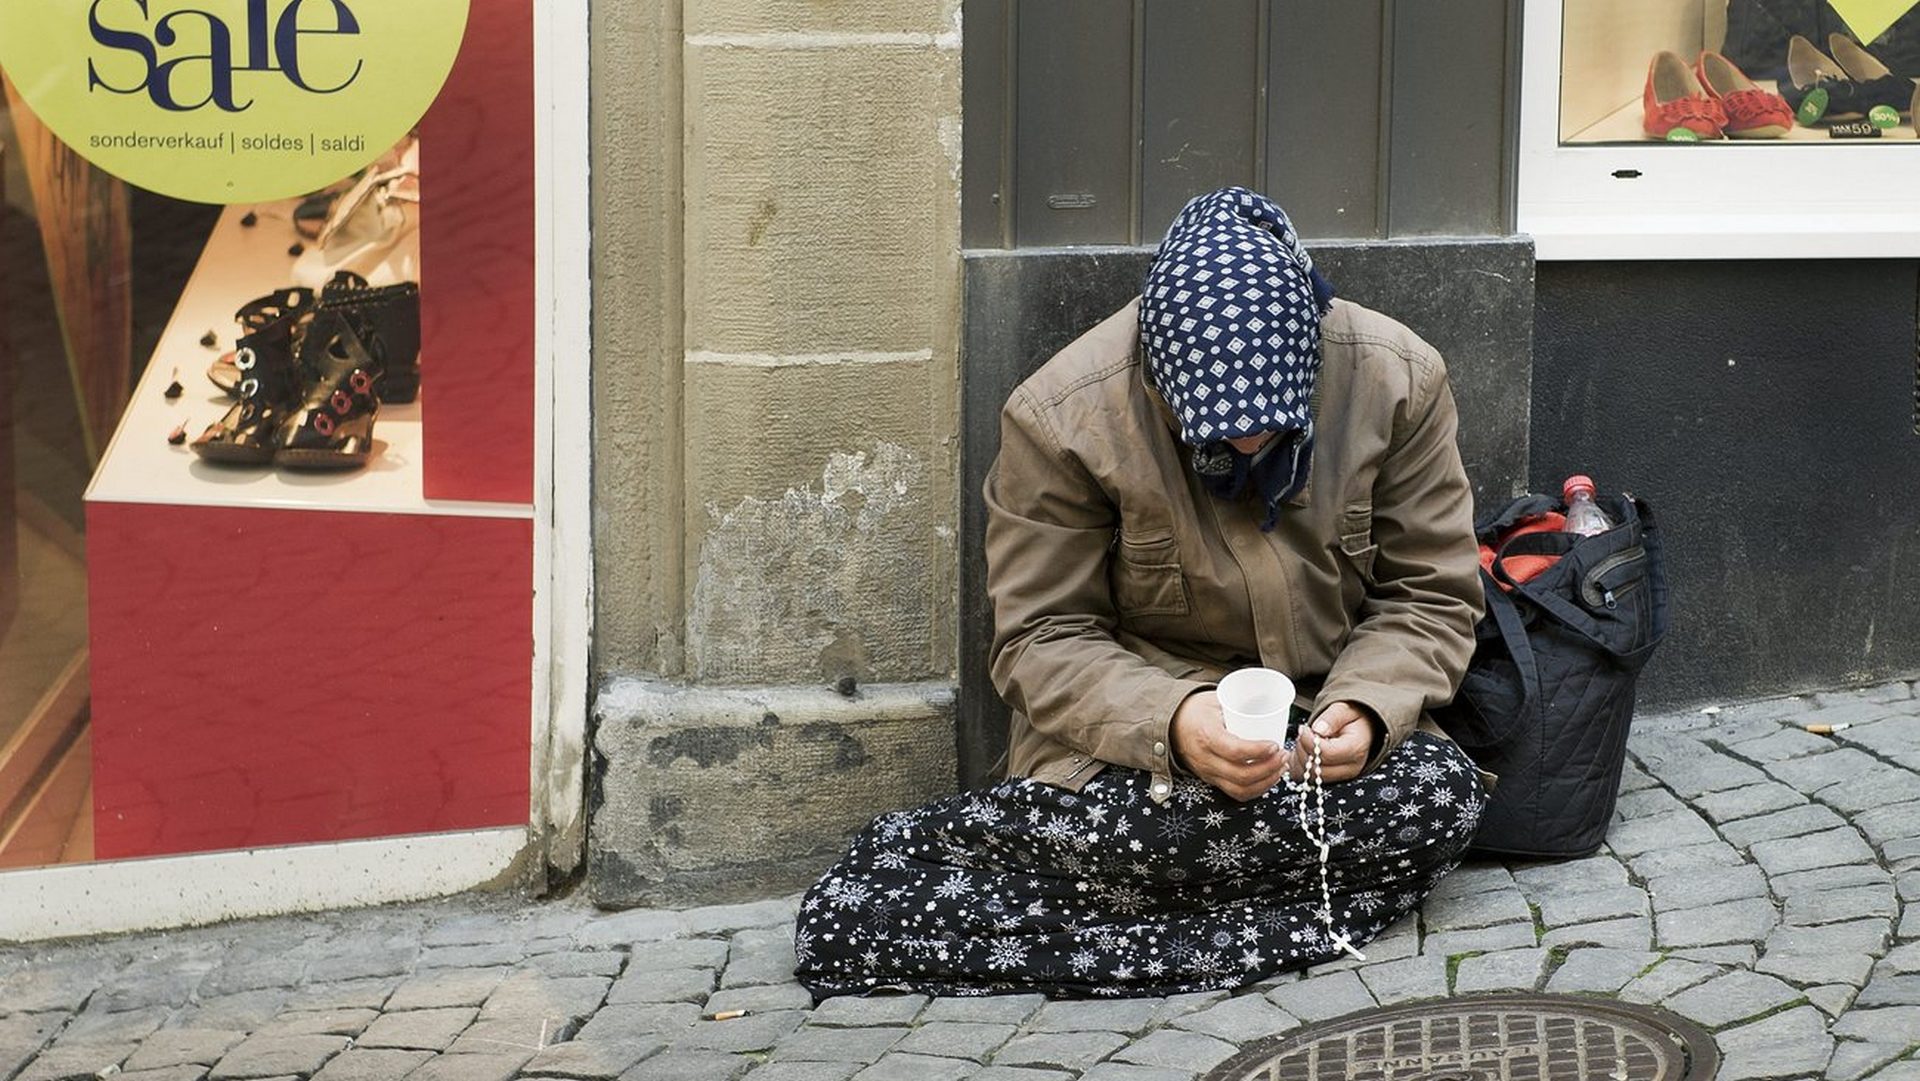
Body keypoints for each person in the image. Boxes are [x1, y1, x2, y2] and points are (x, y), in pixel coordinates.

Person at [794, 186, 1489, 999]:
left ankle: (1148, 919)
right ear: (1160, 378)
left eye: (1270, 428)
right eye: (1218, 431)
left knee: (1441, 798)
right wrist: (1173, 722)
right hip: (1132, 756)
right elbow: (1039, 639)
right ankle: (1289, 909)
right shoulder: (1060, 417)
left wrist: (1368, 710)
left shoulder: (1397, 378)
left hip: (1314, 726)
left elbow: (1432, 596)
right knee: (1168, 832)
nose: (1245, 444)